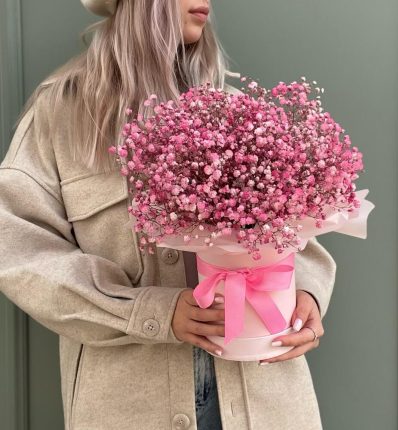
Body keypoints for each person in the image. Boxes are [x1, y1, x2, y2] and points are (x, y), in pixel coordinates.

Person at [0, 0, 337, 429]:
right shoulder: (62, 114)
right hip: (129, 405)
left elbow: (295, 235)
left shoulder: (236, 112)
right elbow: (17, 250)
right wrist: (145, 311)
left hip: (265, 396)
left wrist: (304, 296)